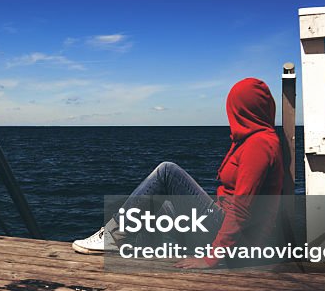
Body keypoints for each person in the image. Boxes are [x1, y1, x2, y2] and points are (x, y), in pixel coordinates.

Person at [72, 77, 284, 268]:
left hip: (243, 244)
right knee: (165, 207)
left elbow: (241, 209)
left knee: (167, 171)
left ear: (241, 109)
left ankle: (111, 236)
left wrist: (211, 257)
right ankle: (149, 263)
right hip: (227, 227)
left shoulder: (259, 144)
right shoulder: (252, 140)